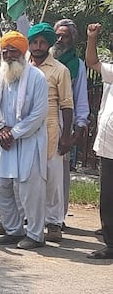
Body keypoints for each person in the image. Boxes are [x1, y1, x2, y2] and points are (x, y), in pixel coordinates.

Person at [0, 31, 49, 250]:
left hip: (29, 141)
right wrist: (1, 128)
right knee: (1, 185)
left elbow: (39, 114)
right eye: (5, 51)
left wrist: (14, 133)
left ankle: (35, 235)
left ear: (24, 52)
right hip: (3, 140)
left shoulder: (37, 78)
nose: (9, 55)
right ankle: (13, 230)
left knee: (29, 189)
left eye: (14, 50)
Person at [27, 23, 74, 242]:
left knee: (53, 178)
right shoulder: (21, 66)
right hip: (26, 129)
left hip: (51, 127)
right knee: (27, 176)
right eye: (34, 42)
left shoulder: (59, 70)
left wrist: (66, 136)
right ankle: (26, 219)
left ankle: (54, 223)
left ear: (48, 44)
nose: (38, 46)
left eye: (42, 42)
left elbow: (67, 104)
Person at [53, 19, 90, 226]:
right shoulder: (43, 60)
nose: (60, 39)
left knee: (60, 174)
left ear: (72, 39)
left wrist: (79, 126)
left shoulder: (78, 66)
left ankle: (58, 218)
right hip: (40, 123)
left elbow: (81, 99)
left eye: (65, 36)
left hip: (63, 125)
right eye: (57, 35)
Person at [83, 23, 113, 259]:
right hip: (108, 145)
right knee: (108, 195)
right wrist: (92, 38)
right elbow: (92, 62)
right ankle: (110, 242)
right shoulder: (111, 71)